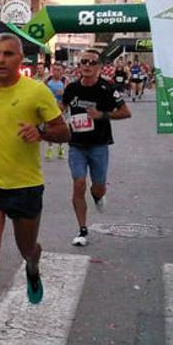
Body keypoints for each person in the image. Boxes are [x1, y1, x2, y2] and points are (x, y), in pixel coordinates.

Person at [0, 33, 70, 345]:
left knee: (26, 248)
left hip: (25, 186)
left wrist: (40, 132)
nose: (0, 60)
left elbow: (63, 131)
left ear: (20, 59)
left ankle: (33, 264)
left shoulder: (36, 92)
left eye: (8, 54)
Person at [61, 50, 132, 247]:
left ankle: (98, 195)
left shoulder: (107, 88)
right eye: (83, 62)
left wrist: (102, 115)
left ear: (99, 67)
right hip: (76, 145)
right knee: (79, 183)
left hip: (99, 145)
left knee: (98, 187)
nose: (87, 66)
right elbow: (61, 107)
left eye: (92, 63)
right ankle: (82, 229)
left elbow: (126, 112)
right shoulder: (72, 88)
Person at [44, 61, 70, 161]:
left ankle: (60, 147)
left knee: (60, 129)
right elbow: (42, 90)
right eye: (54, 70)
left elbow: (68, 95)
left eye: (58, 70)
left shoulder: (65, 80)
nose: (56, 72)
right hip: (50, 108)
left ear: (62, 71)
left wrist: (63, 93)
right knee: (49, 128)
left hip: (61, 109)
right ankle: (50, 148)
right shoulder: (48, 80)